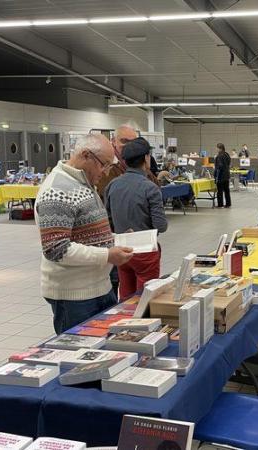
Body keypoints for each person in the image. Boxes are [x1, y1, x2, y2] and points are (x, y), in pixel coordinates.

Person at [35, 134, 134, 334]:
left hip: (99, 288)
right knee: (79, 357)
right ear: (86, 155)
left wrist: (116, 239)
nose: (106, 172)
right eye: (104, 165)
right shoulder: (57, 190)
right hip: (75, 297)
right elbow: (56, 249)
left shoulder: (82, 183)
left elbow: (85, 234)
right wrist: (107, 255)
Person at [105, 137, 168, 300]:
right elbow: (161, 226)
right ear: (146, 158)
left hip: (122, 250)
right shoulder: (150, 188)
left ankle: (123, 323)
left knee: (125, 296)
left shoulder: (112, 185)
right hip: (145, 250)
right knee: (145, 299)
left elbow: (108, 220)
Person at [95, 124, 138, 201]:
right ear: (114, 141)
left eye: (133, 142)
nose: (129, 145)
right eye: (124, 141)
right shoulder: (105, 165)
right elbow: (110, 195)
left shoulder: (138, 162)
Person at [214, 143, 231, 208]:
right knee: (227, 190)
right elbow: (229, 162)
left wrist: (216, 173)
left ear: (220, 148)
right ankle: (228, 204)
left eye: (217, 148)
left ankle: (220, 204)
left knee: (220, 191)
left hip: (221, 176)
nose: (216, 149)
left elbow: (220, 166)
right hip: (227, 174)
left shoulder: (219, 156)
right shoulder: (227, 154)